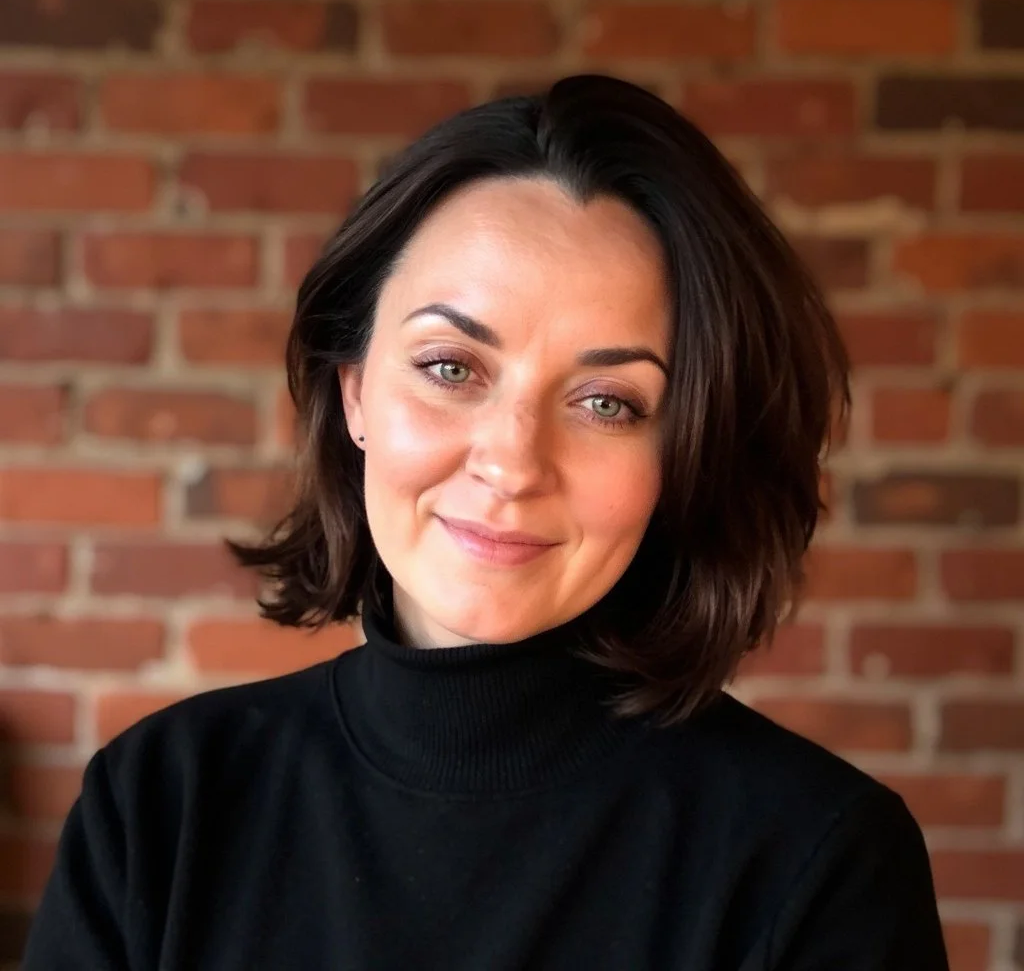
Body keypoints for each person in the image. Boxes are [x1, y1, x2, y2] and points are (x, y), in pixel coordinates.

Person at [23, 73, 949, 970]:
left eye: (607, 403)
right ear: (354, 392)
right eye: (451, 368)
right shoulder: (160, 807)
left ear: (686, 455)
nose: (511, 464)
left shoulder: (817, 862)